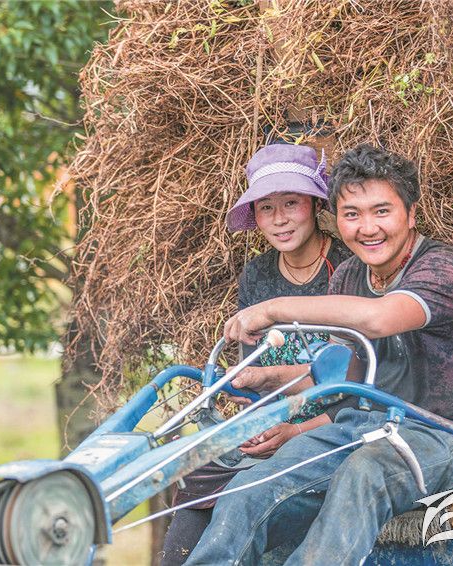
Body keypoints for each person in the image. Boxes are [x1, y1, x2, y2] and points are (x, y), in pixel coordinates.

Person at [185, 144, 453, 565]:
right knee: (250, 489)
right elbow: (339, 379)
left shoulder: (443, 268)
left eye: (382, 211)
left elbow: (380, 318)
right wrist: (266, 383)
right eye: (352, 214)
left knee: (365, 472)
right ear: (336, 218)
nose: (368, 228)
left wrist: (274, 309)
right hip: (361, 426)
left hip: (446, 435)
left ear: (411, 213)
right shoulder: (350, 275)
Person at [160, 143, 352, 565]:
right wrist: (255, 420)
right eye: (266, 208)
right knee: (197, 475)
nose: (279, 219)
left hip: (336, 425)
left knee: (244, 493)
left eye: (291, 203)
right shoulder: (258, 275)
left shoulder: (349, 268)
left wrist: (293, 431)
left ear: (315, 204)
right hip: (277, 421)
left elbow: (361, 385)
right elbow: (256, 370)